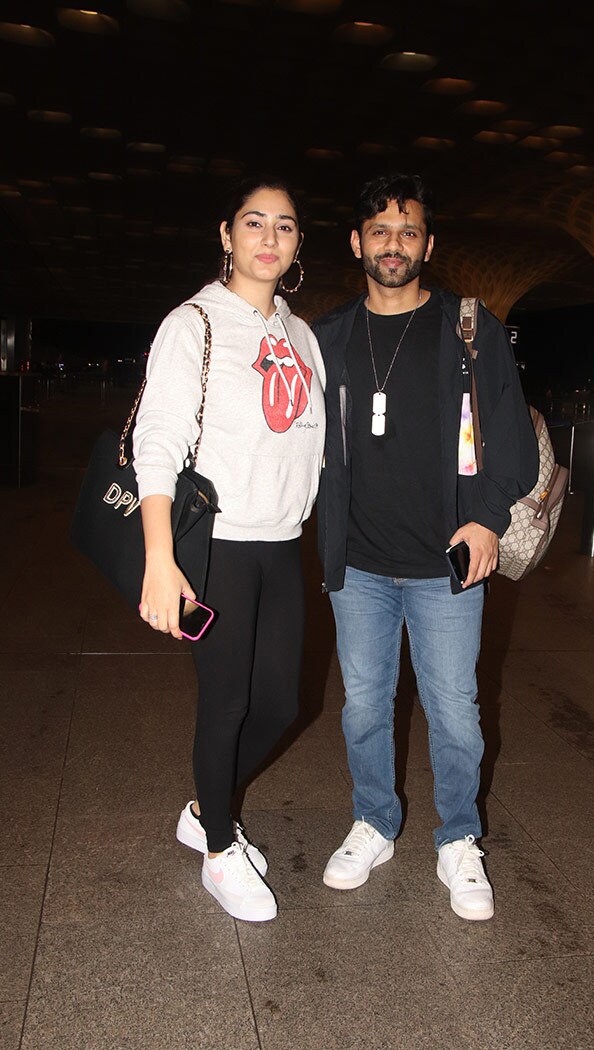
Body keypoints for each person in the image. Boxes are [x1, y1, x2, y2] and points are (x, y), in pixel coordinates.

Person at [313, 173, 538, 920]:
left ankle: (458, 841)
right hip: (359, 563)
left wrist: (487, 520)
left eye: (408, 232)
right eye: (379, 231)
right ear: (356, 242)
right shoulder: (332, 338)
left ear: (428, 245)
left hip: (446, 563)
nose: (394, 245)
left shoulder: (467, 331)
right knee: (364, 707)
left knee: (455, 711)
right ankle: (374, 821)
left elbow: (510, 441)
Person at [132, 177, 325, 922]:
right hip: (217, 547)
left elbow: (310, 444)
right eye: (254, 222)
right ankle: (218, 848)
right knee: (228, 702)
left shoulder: (301, 335)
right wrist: (160, 556)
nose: (269, 238)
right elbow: (158, 443)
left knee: (281, 704)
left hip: (282, 546)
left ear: (298, 243)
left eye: (284, 225)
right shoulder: (195, 324)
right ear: (226, 234)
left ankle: (203, 808)